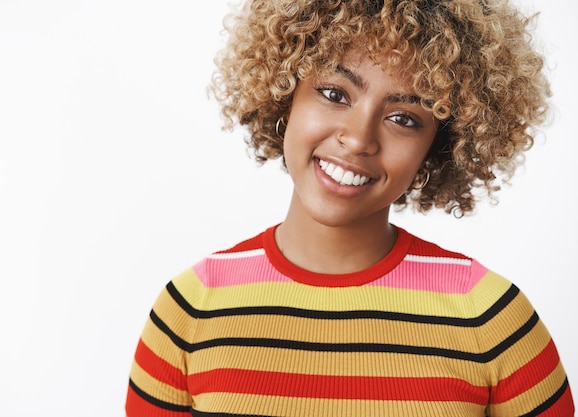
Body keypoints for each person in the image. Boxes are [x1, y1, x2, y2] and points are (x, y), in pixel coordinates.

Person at [125, 0, 574, 415]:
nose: (359, 139)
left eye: (404, 119)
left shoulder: (493, 320)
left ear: (438, 148)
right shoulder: (189, 311)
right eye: (335, 94)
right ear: (284, 95)